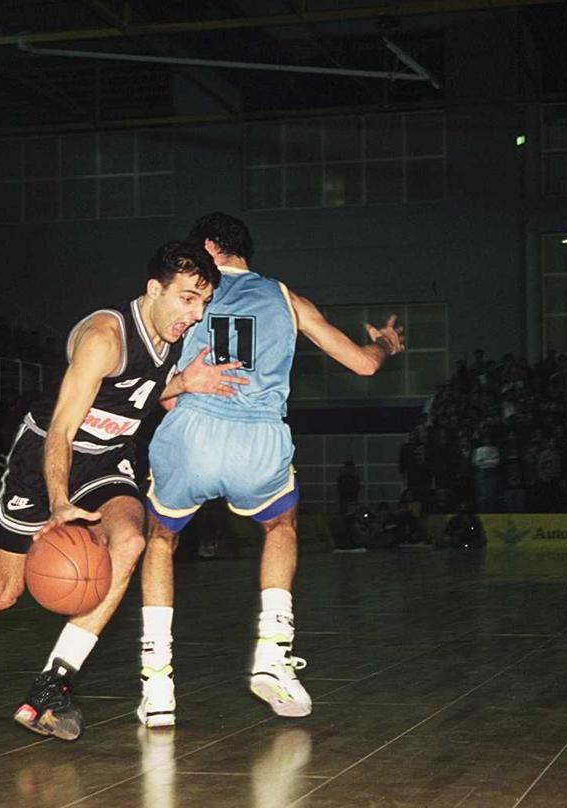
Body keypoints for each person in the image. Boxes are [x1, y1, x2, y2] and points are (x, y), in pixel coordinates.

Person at [0, 241, 241, 741]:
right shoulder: (106, 337)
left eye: (203, 302)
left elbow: (140, 393)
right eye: (188, 299)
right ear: (154, 289)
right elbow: (61, 428)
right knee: (3, 593)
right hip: (46, 459)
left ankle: (51, 688)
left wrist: (184, 383)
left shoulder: (172, 334)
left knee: (131, 540)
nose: (196, 314)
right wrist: (60, 503)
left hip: (107, 459)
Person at [139, 212, 405, 728]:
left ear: (210, 248)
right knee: (280, 525)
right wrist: (388, 344)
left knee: (159, 540)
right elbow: (364, 365)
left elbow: (150, 384)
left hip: (191, 431)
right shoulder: (287, 298)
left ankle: (157, 686)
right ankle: (273, 654)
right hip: (258, 438)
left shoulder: (185, 295)